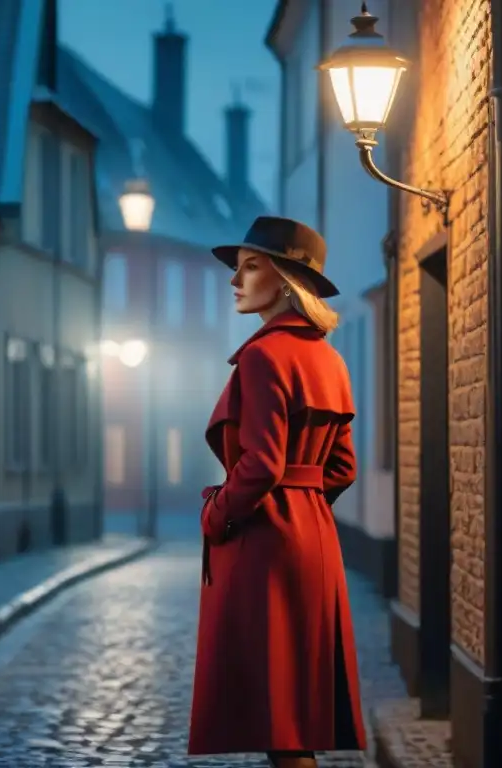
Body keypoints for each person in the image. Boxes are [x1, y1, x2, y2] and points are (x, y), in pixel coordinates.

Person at [186, 216, 367, 768]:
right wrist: (304, 502)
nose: (235, 280)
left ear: (286, 279)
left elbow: (261, 463)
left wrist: (217, 514)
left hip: (267, 543)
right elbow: (342, 467)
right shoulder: (329, 360)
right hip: (314, 541)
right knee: (295, 716)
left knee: (280, 721)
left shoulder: (265, 356)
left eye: (250, 266)